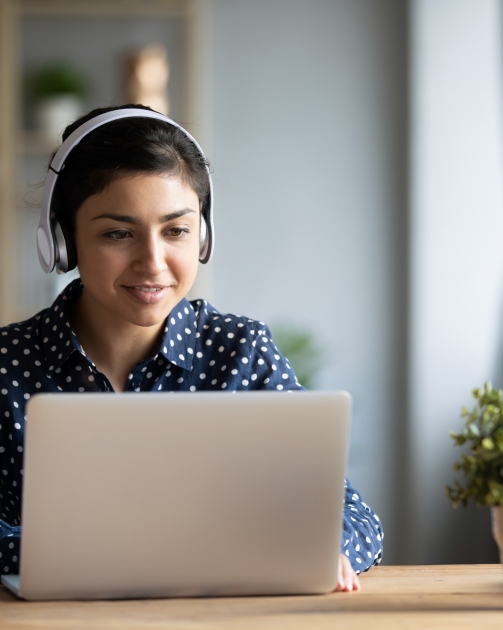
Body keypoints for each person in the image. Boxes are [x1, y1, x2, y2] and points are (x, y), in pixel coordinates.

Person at [0, 105, 383, 592]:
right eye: (118, 233)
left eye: (176, 230)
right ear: (62, 240)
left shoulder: (241, 352)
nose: (153, 262)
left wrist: (326, 548)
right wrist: (139, 549)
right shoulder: (7, 367)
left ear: (203, 235)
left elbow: (352, 514)